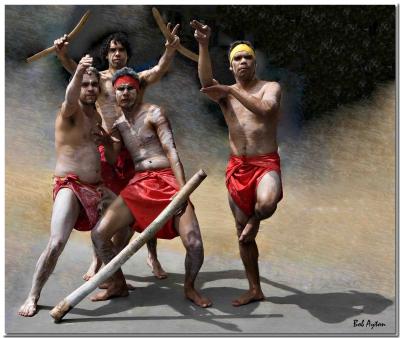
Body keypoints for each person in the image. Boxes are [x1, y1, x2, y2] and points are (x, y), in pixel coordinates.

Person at [54, 26, 180, 280]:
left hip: (135, 150)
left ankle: (152, 256)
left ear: (127, 54)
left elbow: (160, 69)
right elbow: (75, 73)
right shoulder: (98, 80)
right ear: (107, 54)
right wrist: (62, 54)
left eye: (121, 49)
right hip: (108, 147)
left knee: (146, 203)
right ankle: (97, 262)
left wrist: (169, 50)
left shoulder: (134, 80)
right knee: (105, 209)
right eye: (112, 50)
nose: (117, 54)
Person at [89, 67, 212, 308]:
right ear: (114, 94)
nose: (125, 93)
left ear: (138, 91)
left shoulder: (154, 113)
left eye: (129, 89)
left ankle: (189, 288)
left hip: (167, 180)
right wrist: (105, 140)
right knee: (99, 234)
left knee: (195, 244)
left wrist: (182, 189)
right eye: (120, 89)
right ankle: (118, 284)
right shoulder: (118, 125)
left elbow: (172, 151)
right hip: (140, 184)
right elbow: (113, 158)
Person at [191, 20, 283, 306]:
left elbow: (266, 111)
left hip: (265, 163)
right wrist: (204, 45)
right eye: (237, 59)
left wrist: (230, 91)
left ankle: (255, 220)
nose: (243, 62)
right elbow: (207, 82)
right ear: (231, 66)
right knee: (242, 237)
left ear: (255, 63)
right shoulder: (225, 92)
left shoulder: (270, 87)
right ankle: (255, 288)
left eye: (247, 57)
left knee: (267, 202)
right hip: (238, 168)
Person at [18, 55, 116, 317]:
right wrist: (79, 70)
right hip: (69, 185)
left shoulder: (95, 116)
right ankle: (33, 295)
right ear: (78, 85)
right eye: (85, 84)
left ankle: (102, 269)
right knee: (57, 242)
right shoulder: (69, 110)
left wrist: (107, 143)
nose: (90, 89)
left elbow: (107, 151)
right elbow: (70, 96)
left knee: (119, 219)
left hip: (96, 187)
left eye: (94, 84)